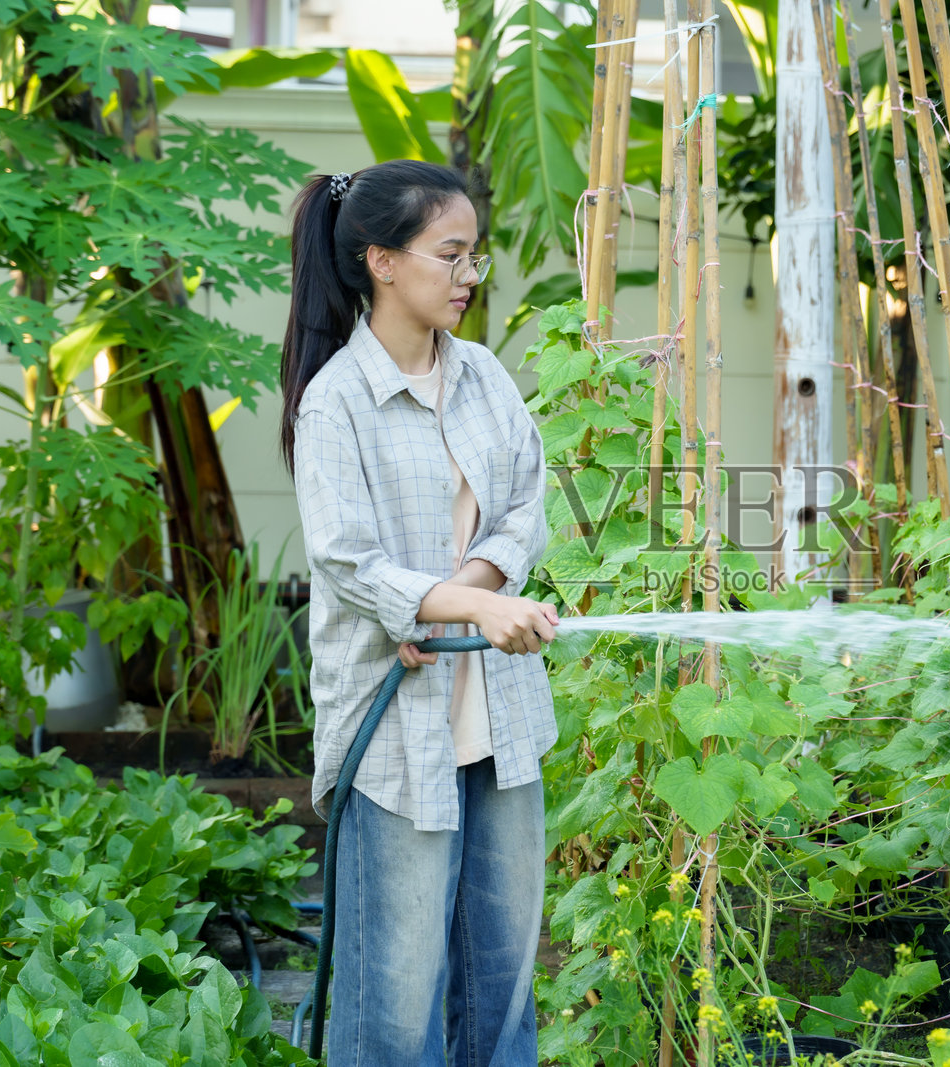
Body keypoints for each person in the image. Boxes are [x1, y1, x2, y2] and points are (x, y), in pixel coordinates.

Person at [281, 159, 559, 1065]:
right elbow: (349, 561)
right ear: (382, 262)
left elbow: (526, 503)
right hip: (394, 736)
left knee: (505, 989)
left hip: (501, 722)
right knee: (393, 1012)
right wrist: (460, 609)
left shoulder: (482, 376)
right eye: (452, 254)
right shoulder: (336, 406)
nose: (469, 275)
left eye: (473, 254)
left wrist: (468, 601)